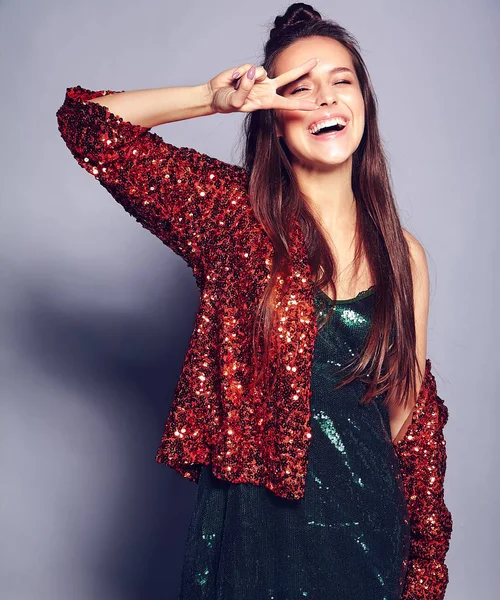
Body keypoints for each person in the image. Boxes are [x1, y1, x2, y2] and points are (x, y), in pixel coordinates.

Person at [56, 3, 452, 599]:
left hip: (370, 531)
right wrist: (209, 98)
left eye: (341, 82)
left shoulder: (405, 254)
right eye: (299, 89)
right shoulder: (233, 217)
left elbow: (408, 418)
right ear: (272, 116)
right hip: (256, 531)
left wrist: (423, 564)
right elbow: (86, 124)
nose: (324, 99)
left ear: (363, 103)